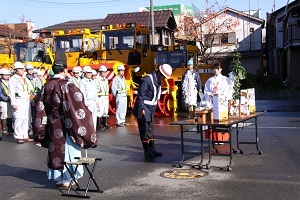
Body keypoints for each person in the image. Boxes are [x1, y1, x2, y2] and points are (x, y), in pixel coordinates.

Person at [33, 63, 98, 187]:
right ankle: (69, 178)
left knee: (55, 148)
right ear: (65, 70)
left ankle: (58, 178)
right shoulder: (66, 85)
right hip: (66, 122)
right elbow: (77, 104)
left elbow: (41, 106)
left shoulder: (46, 85)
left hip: (53, 122)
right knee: (69, 149)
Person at [132, 64, 173, 158]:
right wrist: (141, 109)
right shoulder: (147, 79)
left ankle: (152, 149)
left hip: (150, 108)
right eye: (163, 76)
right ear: (159, 73)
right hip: (143, 108)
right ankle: (146, 150)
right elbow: (141, 96)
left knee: (150, 129)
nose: (164, 79)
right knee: (144, 129)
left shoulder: (158, 81)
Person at [8, 62, 34, 144]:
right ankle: (18, 136)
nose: (23, 70)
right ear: (16, 70)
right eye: (21, 69)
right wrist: (13, 103)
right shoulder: (12, 79)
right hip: (18, 100)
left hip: (26, 99)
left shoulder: (25, 78)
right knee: (18, 118)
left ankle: (25, 134)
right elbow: (11, 92)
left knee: (26, 118)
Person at [204, 62, 230, 142]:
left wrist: (221, 96)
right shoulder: (210, 80)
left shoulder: (225, 79)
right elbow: (206, 90)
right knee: (213, 121)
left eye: (217, 68)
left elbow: (227, 90)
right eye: (214, 69)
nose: (215, 70)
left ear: (221, 69)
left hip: (221, 103)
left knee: (222, 121)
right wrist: (210, 95)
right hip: (212, 102)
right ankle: (215, 138)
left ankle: (222, 138)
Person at [79, 66, 98, 130]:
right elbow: (82, 93)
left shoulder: (92, 82)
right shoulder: (82, 82)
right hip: (88, 102)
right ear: (85, 73)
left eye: (91, 73)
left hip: (93, 102)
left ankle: (93, 132)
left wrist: (96, 101)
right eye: (89, 73)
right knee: (88, 118)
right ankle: (89, 132)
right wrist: (85, 102)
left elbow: (95, 92)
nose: (90, 74)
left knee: (94, 118)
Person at [95, 65, 112, 130]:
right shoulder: (97, 79)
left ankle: (105, 124)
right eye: (103, 72)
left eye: (105, 72)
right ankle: (98, 125)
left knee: (105, 110)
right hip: (100, 97)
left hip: (105, 97)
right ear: (100, 72)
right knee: (99, 110)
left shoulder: (105, 79)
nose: (104, 73)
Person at [0, 68, 13, 135]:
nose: (7, 76)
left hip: (10, 100)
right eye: (5, 75)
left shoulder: (10, 82)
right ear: (1, 76)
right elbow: (0, 94)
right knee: (4, 114)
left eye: (8, 75)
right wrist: (6, 99)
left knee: (10, 114)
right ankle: (4, 128)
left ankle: (10, 127)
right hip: (3, 101)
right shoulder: (1, 83)